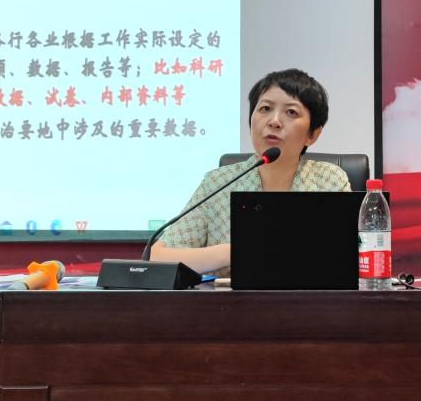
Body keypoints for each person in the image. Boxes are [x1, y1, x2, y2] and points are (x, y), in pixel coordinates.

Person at [149, 68, 350, 276]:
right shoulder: (219, 182)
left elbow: (349, 256)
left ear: (313, 134)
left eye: (291, 112)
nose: (274, 121)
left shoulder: (329, 180)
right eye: (265, 108)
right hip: (231, 298)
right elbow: (157, 257)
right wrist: (233, 252)